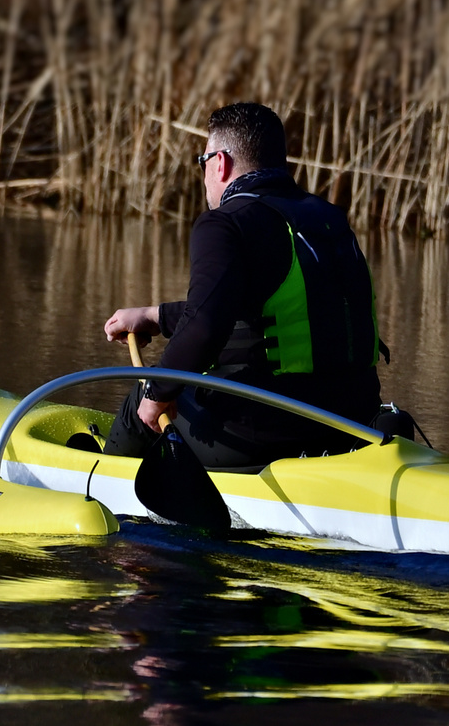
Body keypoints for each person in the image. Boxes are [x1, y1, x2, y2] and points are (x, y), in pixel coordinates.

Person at [101, 102, 385, 468]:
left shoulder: (224, 223)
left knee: (141, 395)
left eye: (202, 162)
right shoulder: (328, 218)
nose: (204, 174)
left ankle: (95, 491)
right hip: (353, 426)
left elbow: (205, 327)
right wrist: (155, 316)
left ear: (220, 162)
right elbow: (271, 311)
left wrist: (157, 395)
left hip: (264, 435)